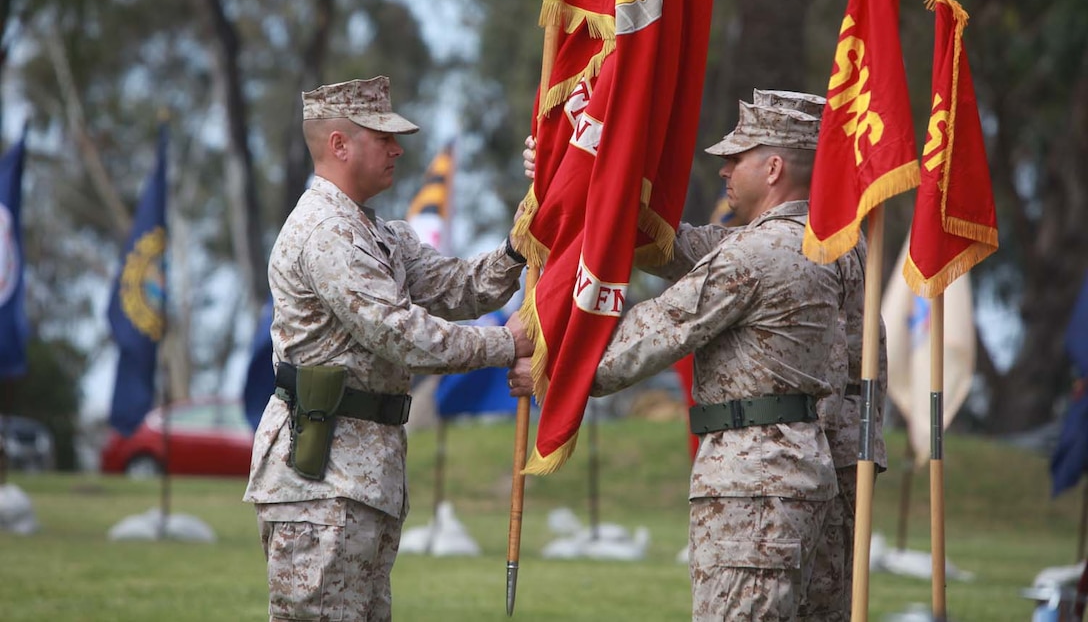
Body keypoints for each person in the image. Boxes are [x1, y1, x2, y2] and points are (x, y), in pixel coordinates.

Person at [514, 96, 844, 619]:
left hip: (753, 484)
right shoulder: (837, 247)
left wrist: (549, 360)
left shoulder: (753, 256)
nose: (724, 168)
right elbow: (680, 245)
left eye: (738, 157)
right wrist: (571, 175)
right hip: (813, 475)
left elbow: (651, 334)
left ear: (774, 167)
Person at [244, 75, 533, 622]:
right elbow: (399, 334)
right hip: (321, 484)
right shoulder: (324, 232)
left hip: (362, 480)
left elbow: (460, 287)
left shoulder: (378, 234)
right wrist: (503, 344)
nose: (398, 148)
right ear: (339, 145)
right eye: (383, 137)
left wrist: (520, 244)